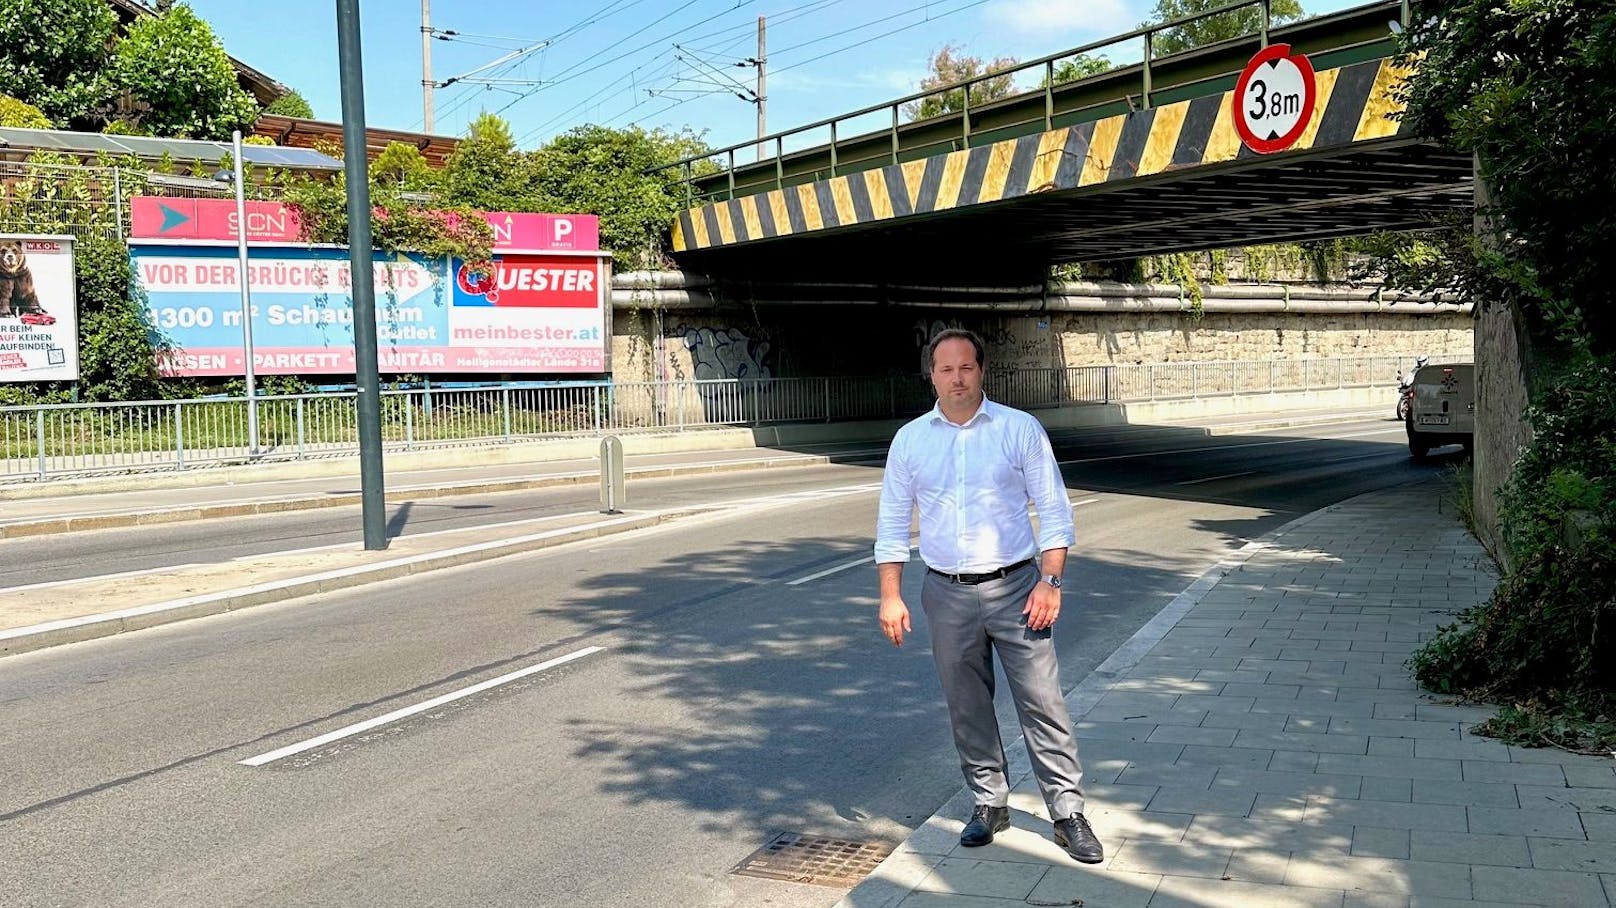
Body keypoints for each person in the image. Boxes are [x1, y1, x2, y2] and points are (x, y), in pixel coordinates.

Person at [873, 328, 1103, 864]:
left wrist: (1051, 581)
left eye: (966, 367)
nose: (957, 378)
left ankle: (1067, 812)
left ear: (982, 371)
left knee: (1042, 702)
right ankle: (989, 801)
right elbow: (890, 525)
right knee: (966, 705)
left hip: (1019, 587)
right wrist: (891, 595)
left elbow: (1054, 510)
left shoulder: (1018, 429)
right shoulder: (911, 440)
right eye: (946, 369)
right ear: (931, 375)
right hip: (945, 591)